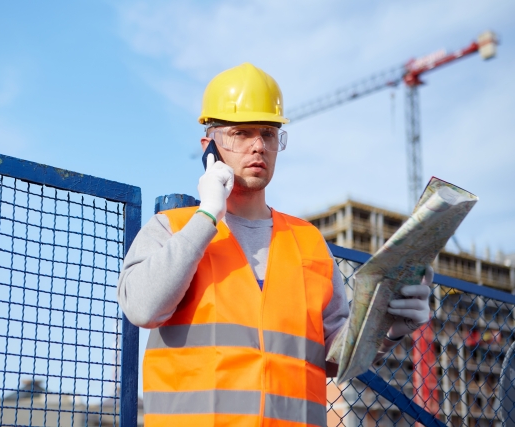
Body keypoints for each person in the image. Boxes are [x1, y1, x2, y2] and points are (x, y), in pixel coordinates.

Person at [117, 63, 432, 427]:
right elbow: (142, 308)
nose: (258, 146)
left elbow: (334, 359)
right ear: (210, 147)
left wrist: (387, 326)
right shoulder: (172, 229)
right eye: (240, 133)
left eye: (268, 133)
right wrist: (207, 216)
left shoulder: (308, 242)